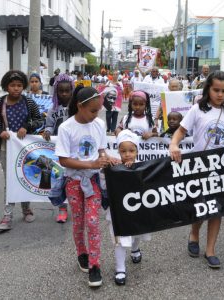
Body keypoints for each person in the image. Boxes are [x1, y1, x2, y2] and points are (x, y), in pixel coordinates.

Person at [169, 70, 224, 268]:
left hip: (222, 169)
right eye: (216, 90)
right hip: (199, 168)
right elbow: (180, 132)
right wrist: (174, 145)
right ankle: (194, 234)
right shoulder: (197, 110)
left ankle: (210, 250)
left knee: (217, 209)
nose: (220, 94)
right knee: (201, 206)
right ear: (208, 89)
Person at [55, 86, 118, 288]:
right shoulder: (66, 127)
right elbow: (64, 160)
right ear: (80, 106)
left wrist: (109, 159)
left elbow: (101, 152)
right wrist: (90, 164)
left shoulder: (99, 124)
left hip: (93, 181)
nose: (96, 114)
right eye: (92, 110)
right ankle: (81, 252)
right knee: (79, 221)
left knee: (92, 221)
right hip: (74, 182)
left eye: (98, 110)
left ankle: (94, 265)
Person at [0, 70, 44, 231]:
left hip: (25, 148)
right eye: (12, 85)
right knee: (10, 180)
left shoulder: (29, 102)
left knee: (24, 177)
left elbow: (39, 120)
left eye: (19, 85)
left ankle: (26, 209)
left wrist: (26, 127)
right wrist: (0, 132)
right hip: (7, 148)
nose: (16, 88)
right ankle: (7, 215)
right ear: (6, 86)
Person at [103, 129, 151, 285]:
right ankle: (120, 269)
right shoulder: (112, 168)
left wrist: (133, 169)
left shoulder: (142, 167)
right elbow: (104, 185)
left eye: (131, 150)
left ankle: (135, 249)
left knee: (137, 233)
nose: (127, 154)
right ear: (118, 151)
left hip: (137, 209)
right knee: (120, 239)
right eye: (123, 151)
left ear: (137, 150)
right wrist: (107, 170)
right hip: (118, 212)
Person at [42, 73, 75, 223]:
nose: (64, 94)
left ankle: (76, 206)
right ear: (56, 92)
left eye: (67, 91)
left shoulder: (77, 108)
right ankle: (62, 208)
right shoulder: (53, 109)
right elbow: (49, 124)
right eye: (60, 91)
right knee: (59, 179)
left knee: (73, 179)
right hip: (58, 149)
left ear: (72, 91)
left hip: (74, 149)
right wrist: (48, 131)